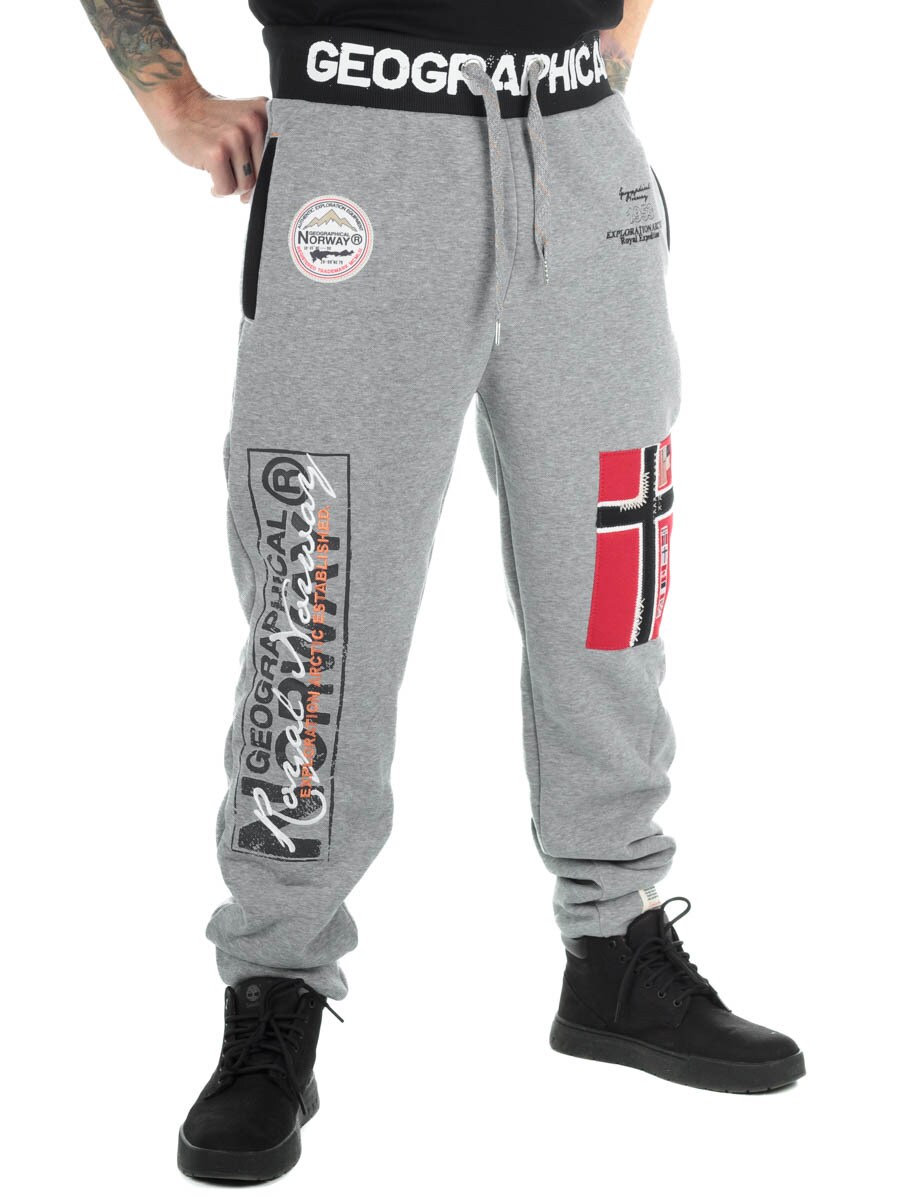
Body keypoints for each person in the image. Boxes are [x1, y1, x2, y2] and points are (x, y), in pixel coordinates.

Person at [82, 0, 805, 1183]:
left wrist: (604, 61)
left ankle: (616, 947)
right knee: (317, 595)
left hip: (581, 158)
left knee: (611, 580)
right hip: (357, 160)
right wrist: (172, 96)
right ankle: (276, 980)